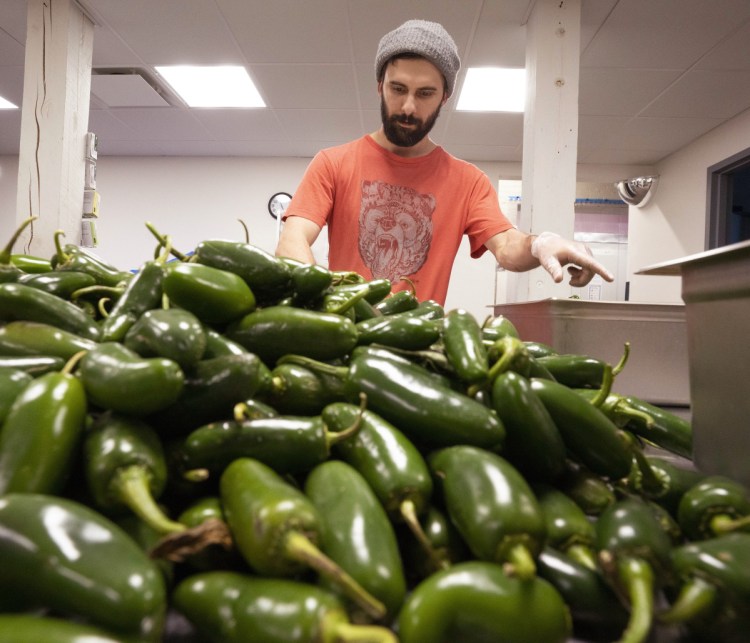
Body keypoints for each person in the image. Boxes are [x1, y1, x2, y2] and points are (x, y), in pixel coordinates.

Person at [275, 19, 613, 305]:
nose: (408, 106)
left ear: (444, 97)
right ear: (379, 86)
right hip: (344, 340)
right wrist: (320, 302)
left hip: (422, 352)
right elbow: (292, 240)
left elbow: (507, 246)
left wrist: (541, 243)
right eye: (397, 88)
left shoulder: (467, 181)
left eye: (424, 93)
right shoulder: (333, 164)